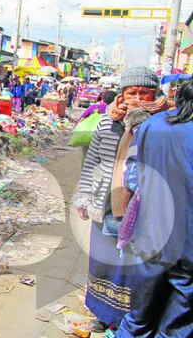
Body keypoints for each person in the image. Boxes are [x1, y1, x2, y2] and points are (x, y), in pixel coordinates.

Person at [74, 66, 173, 334]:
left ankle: (131, 321)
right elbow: (92, 159)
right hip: (105, 203)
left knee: (134, 270)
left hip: (144, 210)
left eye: (145, 92)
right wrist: (83, 196)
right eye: (132, 92)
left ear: (156, 93)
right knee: (104, 264)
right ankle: (105, 316)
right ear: (122, 94)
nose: (138, 98)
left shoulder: (165, 123)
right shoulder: (108, 121)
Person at [115, 79, 193, 338]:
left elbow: (132, 175)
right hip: (188, 245)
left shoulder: (153, 124)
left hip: (151, 235)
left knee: (139, 316)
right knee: (176, 324)